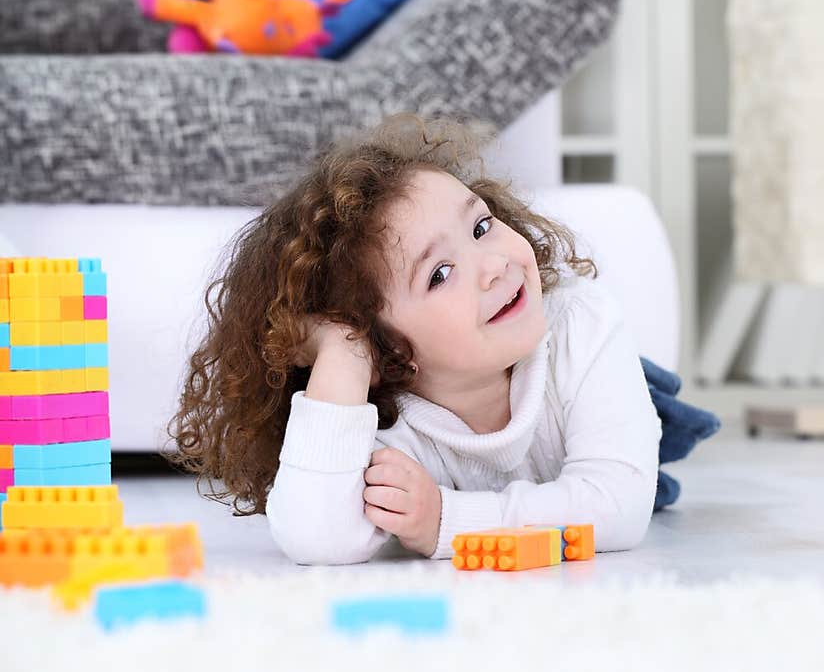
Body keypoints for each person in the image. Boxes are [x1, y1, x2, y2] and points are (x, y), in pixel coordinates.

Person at [168, 112, 664, 564]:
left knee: (659, 438)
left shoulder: (582, 322)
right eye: (441, 274)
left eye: (482, 226)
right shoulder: (393, 428)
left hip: (610, 400)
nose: (494, 266)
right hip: (537, 459)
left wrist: (446, 521)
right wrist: (342, 349)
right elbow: (314, 536)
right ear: (387, 352)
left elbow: (619, 503)